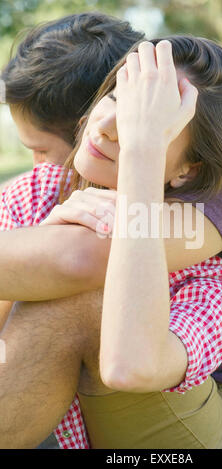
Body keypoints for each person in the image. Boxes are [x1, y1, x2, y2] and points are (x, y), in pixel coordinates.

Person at [0, 36, 222, 449]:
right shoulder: (37, 191)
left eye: (148, 121)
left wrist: (143, 153)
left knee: (84, 294)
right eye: (118, 97)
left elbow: (129, 367)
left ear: (188, 170)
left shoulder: (220, 278)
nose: (110, 126)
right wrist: (42, 240)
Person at [0, 10, 145, 449]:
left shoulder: (170, 203)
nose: (36, 166)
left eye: (41, 149)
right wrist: (40, 243)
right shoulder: (28, 195)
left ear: (94, 131)